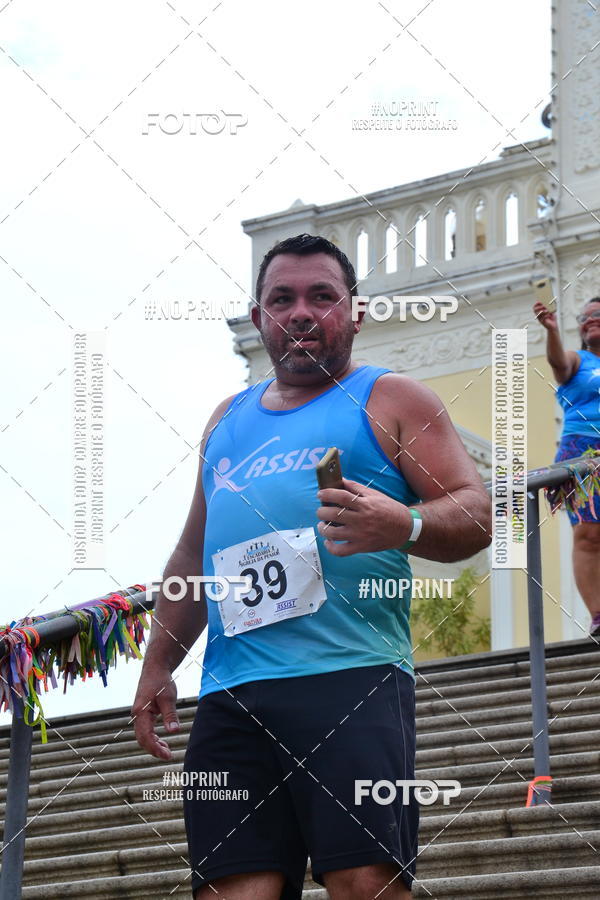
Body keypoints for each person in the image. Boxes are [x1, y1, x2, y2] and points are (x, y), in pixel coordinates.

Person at [132, 234, 492, 899]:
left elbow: (476, 513)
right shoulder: (226, 421)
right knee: (232, 890)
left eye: (321, 296)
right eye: (282, 299)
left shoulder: (393, 399)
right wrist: (159, 666)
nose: (301, 312)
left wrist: (403, 523)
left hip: (350, 679)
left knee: (364, 882)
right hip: (232, 695)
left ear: (354, 313)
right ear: (260, 316)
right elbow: (192, 554)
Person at [533, 296, 600, 636]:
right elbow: (558, 363)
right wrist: (552, 330)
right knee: (588, 534)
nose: (589, 320)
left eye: (597, 314)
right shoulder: (580, 361)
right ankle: (599, 615)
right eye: (584, 317)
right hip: (584, 451)